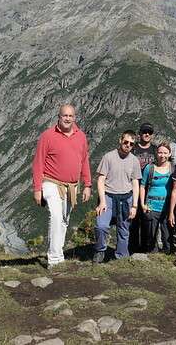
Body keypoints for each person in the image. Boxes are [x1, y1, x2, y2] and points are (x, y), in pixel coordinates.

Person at [32, 104, 92, 267]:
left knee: (64, 220)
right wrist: (37, 189)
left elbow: (84, 160)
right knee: (56, 216)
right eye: (64, 115)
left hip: (72, 186)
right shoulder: (47, 136)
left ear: (75, 118)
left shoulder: (81, 137)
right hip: (51, 182)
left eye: (70, 116)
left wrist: (87, 184)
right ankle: (53, 258)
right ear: (58, 117)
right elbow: (38, 163)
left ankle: (59, 255)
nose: (67, 118)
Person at [93, 130, 141, 263]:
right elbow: (101, 180)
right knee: (101, 226)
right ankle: (100, 251)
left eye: (131, 144)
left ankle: (121, 257)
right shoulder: (108, 157)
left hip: (126, 198)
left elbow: (135, 182)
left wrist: (134, 206)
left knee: (123, 229)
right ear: (120, 140)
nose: (128, 145)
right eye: (126, 142)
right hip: (108, 197)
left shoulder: (134, 161)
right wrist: (102, 201)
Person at [139, 142, 174, 253]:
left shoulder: (173, 168)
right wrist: (143, 204)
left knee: (167, 236)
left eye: (165, 153)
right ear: (156, 153)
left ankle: (167, 254)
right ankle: (152, 255)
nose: (162, 155)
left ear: (169, 154)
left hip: (167, 207)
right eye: (160, 152)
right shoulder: (149, 168)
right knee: (150, 236)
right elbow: (143, 186)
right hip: (151, 206)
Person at [130, 123, 157, 252]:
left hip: (149, 190)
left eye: (149, 132)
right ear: (139, 134)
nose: (147, 134)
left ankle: (146, 247)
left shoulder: (155, 150)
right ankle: (133, 247)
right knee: (133, 220)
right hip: (133, 188)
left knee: (147, 219)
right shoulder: (132, 148)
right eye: (144, 132)